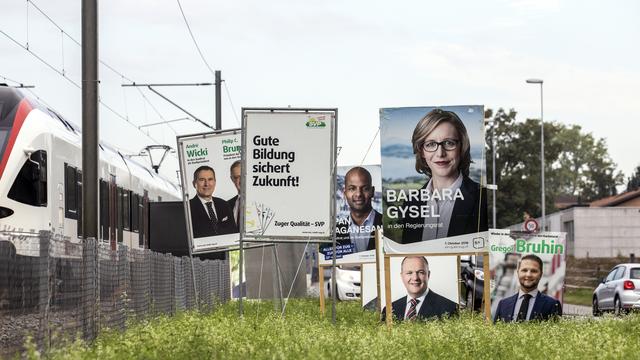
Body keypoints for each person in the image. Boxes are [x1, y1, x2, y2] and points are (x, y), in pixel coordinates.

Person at [401, 109, 488, 243]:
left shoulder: (483, 199)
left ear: (462, 147)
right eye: (430, 144)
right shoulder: (411, 203)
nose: (440, 153)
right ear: (421, 151)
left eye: (449, 143)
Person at [382, 256, 457, 321]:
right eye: (409, 273)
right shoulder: (389, 310)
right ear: (402, 276)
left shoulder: (451, 309)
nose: (415, 278)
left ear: (428, 275)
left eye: (420, 272)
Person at [494, 254, 562, 323]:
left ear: (541, 274)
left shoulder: (552, 305)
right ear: (518, 272)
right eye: (524, 270)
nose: (528, 275)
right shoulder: (503, 304)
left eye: (534, 271)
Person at [336, 166, 382, 253]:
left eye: (365, 188)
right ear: (344, 193)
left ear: (372, 191)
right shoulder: (336, 231)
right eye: (352, 188)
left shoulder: (386, 226)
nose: (358, 194)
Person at [189, 165, 237, 238]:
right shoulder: (187, 208)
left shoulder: (224, 204)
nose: (206, 184)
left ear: (215, 182)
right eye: (202, 180)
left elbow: (233, 232)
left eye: (210, 179)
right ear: (194, 183)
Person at [227, 160, 242, 228]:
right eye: (236, 177)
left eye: (243, 176)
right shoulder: (226, 205)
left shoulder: (261, 201)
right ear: (232, 179)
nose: (241, 180)